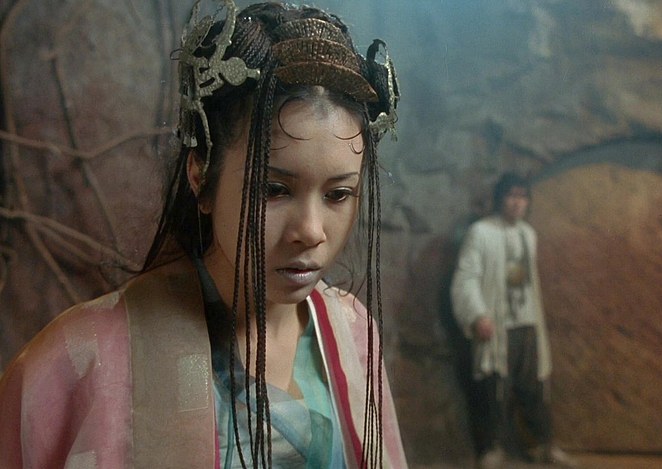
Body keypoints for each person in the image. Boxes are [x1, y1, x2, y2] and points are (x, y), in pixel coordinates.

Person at [0, 1, 406, 467]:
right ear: (200, 174)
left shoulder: (353, 335)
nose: (310, 231)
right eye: (274, 189)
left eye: (338, 194)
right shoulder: (81, 357)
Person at [451, 173, 576, 469]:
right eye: (511, 196)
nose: (517, 203)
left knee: (534, 387)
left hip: (527, 323)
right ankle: (490, 449)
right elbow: (466, 277)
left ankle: (543, 446)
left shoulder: (527, 234)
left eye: (522, 197)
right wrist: (478, 314)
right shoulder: (481, 232)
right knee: (493, 387)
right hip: (498, 323)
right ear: (500, 199)